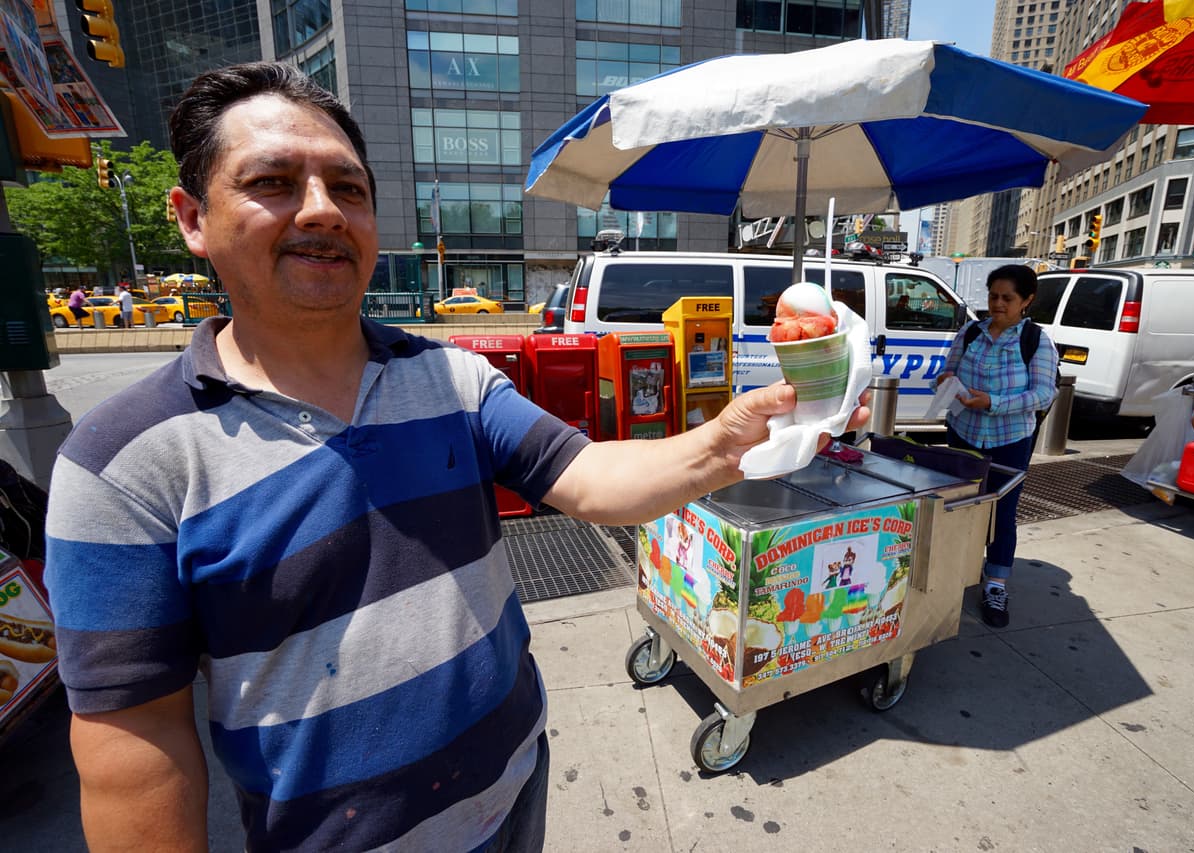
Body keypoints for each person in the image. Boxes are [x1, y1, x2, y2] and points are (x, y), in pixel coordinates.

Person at [43, 62, 870, 853]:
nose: (323, 209)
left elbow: (586, 477)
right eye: (273, 183)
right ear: (192, 218)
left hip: (515, 785)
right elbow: (134, 737)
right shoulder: (120, 461)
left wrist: (727, 441)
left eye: (349, 187)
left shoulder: (452, 377)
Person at [933, 264, 1056, 629]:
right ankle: (955, 576)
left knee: (1002, 515)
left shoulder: (1035, 340)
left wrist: (993, 402)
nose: (998, 305)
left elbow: (1044, 393)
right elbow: (948, 369)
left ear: (1026, 301)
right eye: (993, 297)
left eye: (1007, 298)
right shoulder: (971, 332)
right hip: (963, 434)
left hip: (1010, 440)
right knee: (959, 509)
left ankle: (996, 583)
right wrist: (945, 381)